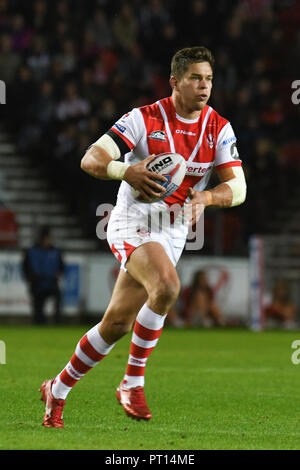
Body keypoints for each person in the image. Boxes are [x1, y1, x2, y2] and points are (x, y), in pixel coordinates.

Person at [40, 46, 247, 428]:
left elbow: (239, 189)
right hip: (132, 220)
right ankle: (132, 381)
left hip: (173, 230)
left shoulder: (219, 127)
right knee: (167, 286)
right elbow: (90, 159)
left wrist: (206, 195)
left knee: (116, 324)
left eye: (209, 79)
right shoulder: (143, 118)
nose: (204, 87)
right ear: (175, 82)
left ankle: (58, 388)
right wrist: (126, 170)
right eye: (195, 79)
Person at [23, 226, 64, 325]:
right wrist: (30, 277)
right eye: (48, 238)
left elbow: (61, 266)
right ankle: (39, 322)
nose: (49, 240)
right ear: (42, 239)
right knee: (38, 306)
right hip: (37, 284)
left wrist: (59, 272)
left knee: (58, 298)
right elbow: (25, 267)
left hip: (52, 283)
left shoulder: (55, 251)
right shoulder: (32, 251)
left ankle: (57, 321)